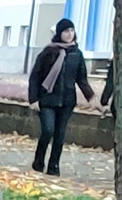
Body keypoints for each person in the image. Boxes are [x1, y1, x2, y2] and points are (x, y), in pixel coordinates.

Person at [26, 18, 91, 176]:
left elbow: (81, 79)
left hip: (67, 101)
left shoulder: (77, 54)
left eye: (72, 31)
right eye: (66, 31)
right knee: (48, 130)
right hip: (47, 99)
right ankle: (38, 161)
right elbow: (35, 77)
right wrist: (33, 99)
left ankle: (53, 166)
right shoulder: (49, 52)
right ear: (59, 33)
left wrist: (92, 97)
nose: (69, 34)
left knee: (60, 135)